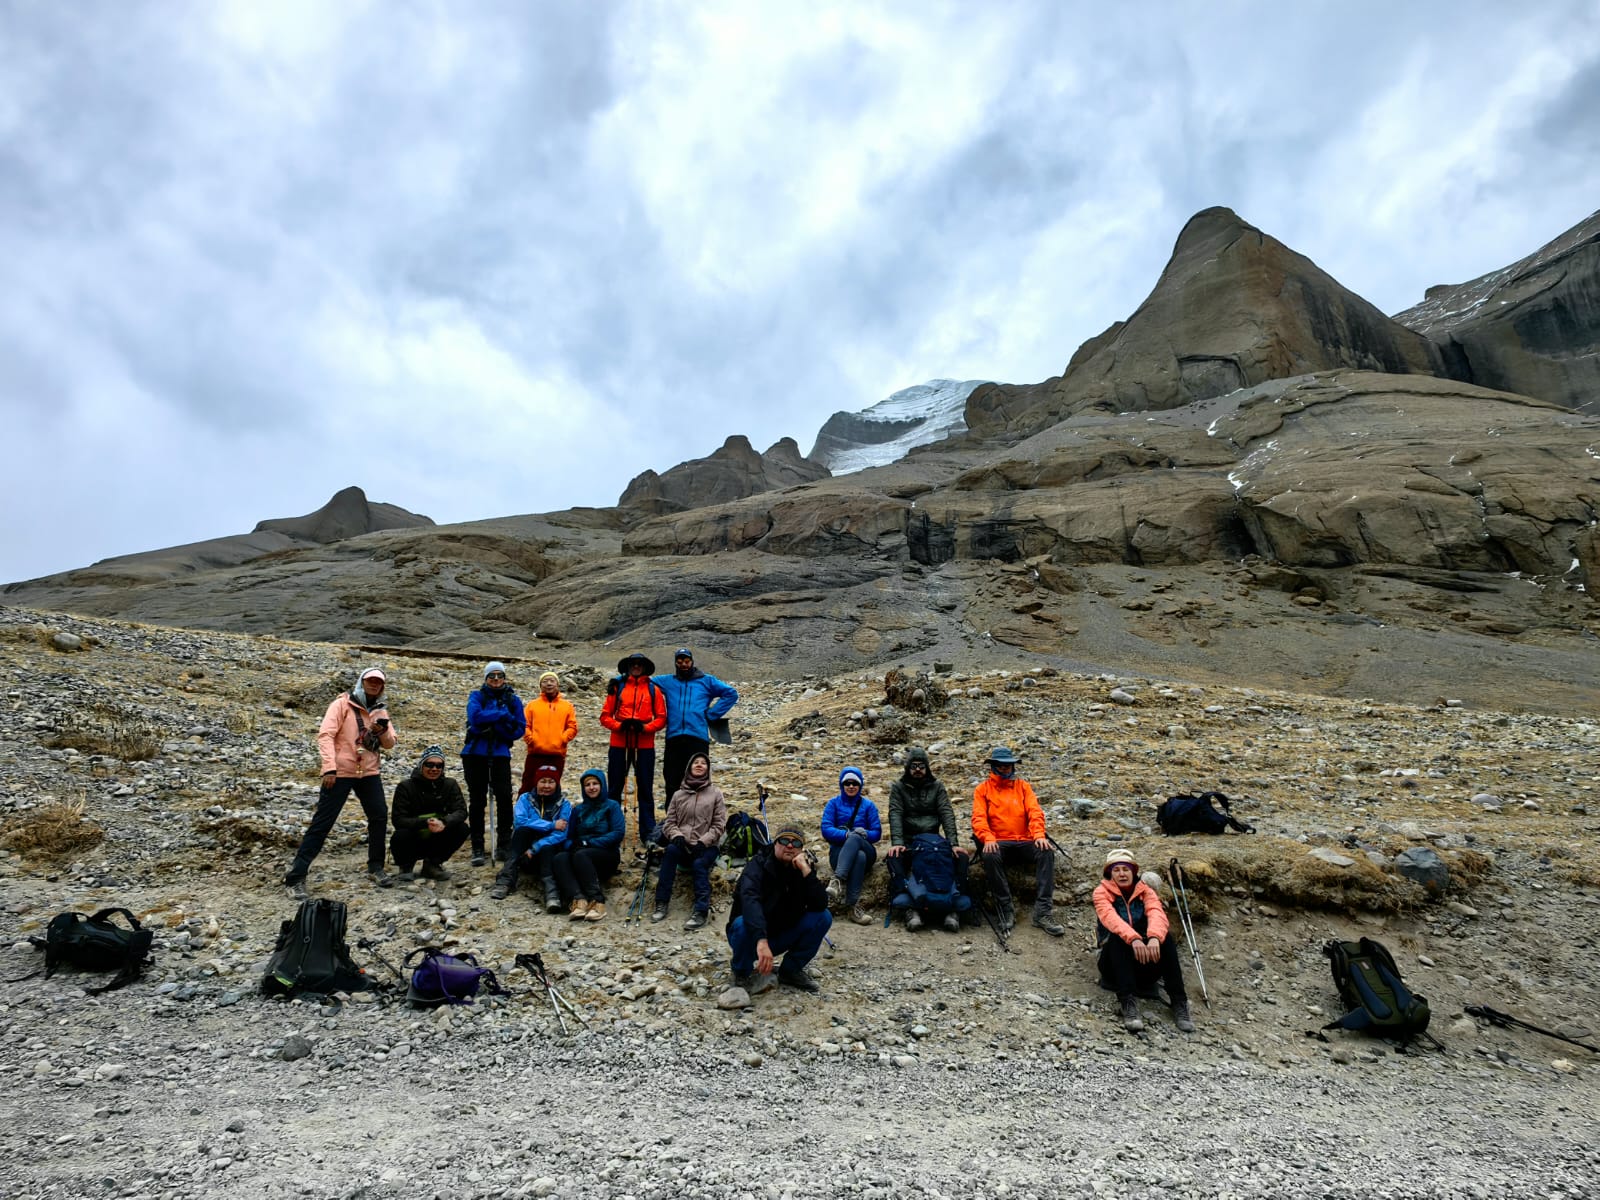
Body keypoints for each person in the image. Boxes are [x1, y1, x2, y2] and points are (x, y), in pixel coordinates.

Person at [283, 666, 397, 896]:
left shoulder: (381, 711)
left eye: (378, 682)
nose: (374, 685)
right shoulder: (341, 705)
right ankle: (295, 877)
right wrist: (329, 769)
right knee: (323, 822)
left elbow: (390, 743)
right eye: (370, 681)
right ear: (361, 682)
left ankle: (376, 867)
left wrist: (380, 730)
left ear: (382, 686)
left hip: (369, 772)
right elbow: (326, 735)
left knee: (379, 816)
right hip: (341, 772)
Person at [1094, 850, 1195, 1032]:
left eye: (1126, 869)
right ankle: (1128, 1002)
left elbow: (1157, 914)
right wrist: (1133, 939)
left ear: (1134, 871)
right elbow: (1110, 919)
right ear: (1110, 873)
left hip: (1144, 963)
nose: (1122, 874)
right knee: (1117, 937)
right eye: (1116, 870)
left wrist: (1155, 938)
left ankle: (1179, 1001)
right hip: (1114, 968)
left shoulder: (1146, 892)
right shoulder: (1101, 893)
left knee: (1166, 938)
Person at [726, 822, 831, 995]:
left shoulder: (802, 868)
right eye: (784, 841)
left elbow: (820, 904)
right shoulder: (756, 867)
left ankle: (790, 971)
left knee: (823, 917)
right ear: (775, 843)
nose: (790, 846)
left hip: (782, 933)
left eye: (796, 843)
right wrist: (761, 939)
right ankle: (741, 971)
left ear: (801, 849)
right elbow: (750, 902)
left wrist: (806, 871)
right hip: (752, 936)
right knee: (741, 924)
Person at [971, 745, 1064, 937]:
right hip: (998, 841)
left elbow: (1035, 812)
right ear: (993, 766)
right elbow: (978, 818)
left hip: (1024, 839)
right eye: (1001, 765)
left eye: (1009, 765)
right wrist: (988, 838)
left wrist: (1038, 835)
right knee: (989, 855)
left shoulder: (1023, 787)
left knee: (1046, 852)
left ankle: (1043, 913)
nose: (1006, 769)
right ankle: (1006, 909)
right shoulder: (982, 790)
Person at [886, 747, 969, 932]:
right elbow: (895, 814)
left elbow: (947, 813)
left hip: (934, 842)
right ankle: (910, 908)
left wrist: (953, 843)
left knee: (961, 858)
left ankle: (954, 909)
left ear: (927, 768)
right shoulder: (898, 788)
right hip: (908, 841)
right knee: (894, 859)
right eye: (913, 766)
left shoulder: (937, 786)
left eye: (921, 766)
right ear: (907, 767)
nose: (917, 770)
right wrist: (897, 843)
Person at [652, 752, 728, 930]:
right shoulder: (678, 795)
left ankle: (701, 910)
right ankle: (661, 902)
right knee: (670, 852)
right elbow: (669, 822)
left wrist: (704, 841)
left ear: (708, 769)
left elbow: (719, 824)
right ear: (689, 768)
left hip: (706, 846)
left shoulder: (716, 793)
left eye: (703, 763)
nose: (700, 765)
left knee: (699, 864)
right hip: (682, 844)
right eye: (696, 762)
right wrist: (676, 835)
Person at [461, 662, 526, 867]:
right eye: (492, 676)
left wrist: (497, 727)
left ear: (505, 677)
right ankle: (478, 847)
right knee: (477, 799)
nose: (496, 680)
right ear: (486, 678)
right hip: (474, 754)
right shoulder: (477, 696)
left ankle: (504, 844)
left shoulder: (513, 699)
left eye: (499, 676)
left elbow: (520, 728)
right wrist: (502, 716)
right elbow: (474, 717)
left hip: (499, 753)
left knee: (505, 797)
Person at [599, 652, 667, 845]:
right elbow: (605, 716)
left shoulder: (654, 690)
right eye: (633, 664)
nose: (636, 667)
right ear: (628, 667)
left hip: (644, 744)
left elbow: (661, 717)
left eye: (639, 664)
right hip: (619, 743)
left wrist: (645, 728)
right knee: (614, 788)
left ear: (644, 667)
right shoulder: (617, 687)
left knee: (645, 788)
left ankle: (648, 833)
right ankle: (610, 830)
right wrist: (619, 726)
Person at [652, 648, 739, 799]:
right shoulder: (668, 681)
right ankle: (672, 818)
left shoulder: (706, 680)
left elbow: (731, 693)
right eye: (680, 662)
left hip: (697, 738)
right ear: (675, 664)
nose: (683, 665)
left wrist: (712, 714)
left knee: (698, 779)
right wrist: (620, 679)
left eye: (686, 661)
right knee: (672, 779)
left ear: (692, 662)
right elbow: (644, 681)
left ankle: (697, 816)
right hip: (674, 737)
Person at [489, 765, 570, 909]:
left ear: (557, 784)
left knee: (547, 846)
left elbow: (562, 832)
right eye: (542, 781)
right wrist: (551, 825)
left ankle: (552, 893)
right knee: (522, 832)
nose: (546, 786)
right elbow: (520, 821)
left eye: (551, 782)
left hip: (545, 854)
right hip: (524, 855)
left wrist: (535, 848)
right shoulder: (525, 799)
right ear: (536, 782)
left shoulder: (564, 804)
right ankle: (505, 880)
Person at [548, 768, 625, 921]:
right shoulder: (578, 810)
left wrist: (588, 842)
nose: (591, 787)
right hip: (580, 855)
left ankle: (597, 902)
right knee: (560, 858)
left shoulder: (612, 806)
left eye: (595, 783)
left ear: (602, 785)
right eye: (587, 784)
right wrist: (572, 844)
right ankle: (578, 901)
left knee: (581, 854)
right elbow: (569, 837)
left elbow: (617, 833)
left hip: (606, 855)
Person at [389, 745, 470, 881]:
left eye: (439, 766)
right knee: (400, 835)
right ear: (421, 765)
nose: (434, 769)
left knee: (462, 828)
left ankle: (432, 864)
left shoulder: (450, 785)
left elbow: (461, 811)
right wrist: (425, 822)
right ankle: (406, 865)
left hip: (439, 833)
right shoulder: (406, 787)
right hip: (413, 833)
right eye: (430, 765)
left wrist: (444, 822)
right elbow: (398, 819)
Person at [821, 767, 881, 926]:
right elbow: (826, 829)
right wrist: (846, 835)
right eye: (847, 783)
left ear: (860, 785)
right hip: (839, 854)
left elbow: (877, 833)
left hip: (867, 850)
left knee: (858, 843)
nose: (851, 786)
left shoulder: (868, 806)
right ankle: (852, 907)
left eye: (855, 783)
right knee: (858, 856)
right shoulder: (833, 804)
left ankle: (837, 880)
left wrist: (866, 834)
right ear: (842, 785)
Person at [520, 670, 578, 794]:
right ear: (540, 686)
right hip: (535, 753)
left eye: (552, 681)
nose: (549, 684)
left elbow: (572, 727)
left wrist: (563, 739)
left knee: (553, 787)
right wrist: (531, 739)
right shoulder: (532, 705)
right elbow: (524, 725)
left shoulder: (567, 706)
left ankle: (552, 813)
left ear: (557, 685)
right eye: (545, 681)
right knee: (528, 785)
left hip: (557, 754)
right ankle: (523, 812)